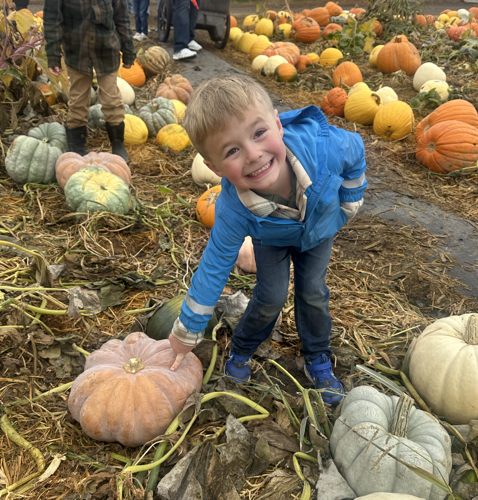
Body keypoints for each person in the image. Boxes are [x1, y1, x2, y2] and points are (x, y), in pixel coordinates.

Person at [167, 75, 367, 406]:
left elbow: (356, 150)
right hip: (271, 239)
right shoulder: (233, 209)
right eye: (232, 150)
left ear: (277, 123)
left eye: (259, 133)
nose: (253, 154)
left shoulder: (324, 147)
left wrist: (350, 198)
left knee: (313, 293)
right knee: (271, 297)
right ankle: (243, 349)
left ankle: (317, 355)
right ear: (215, 167)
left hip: (318, 233)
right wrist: (187, 331)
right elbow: (214, 266)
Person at [43, 0, 135, 162]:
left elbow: (122, 17)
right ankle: (78, 149)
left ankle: (117, 144)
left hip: (106, 49)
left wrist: (128, 50)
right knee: (78, 100)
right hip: (77, 51)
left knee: (112, 99)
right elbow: (52, 20)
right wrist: (53, 55)